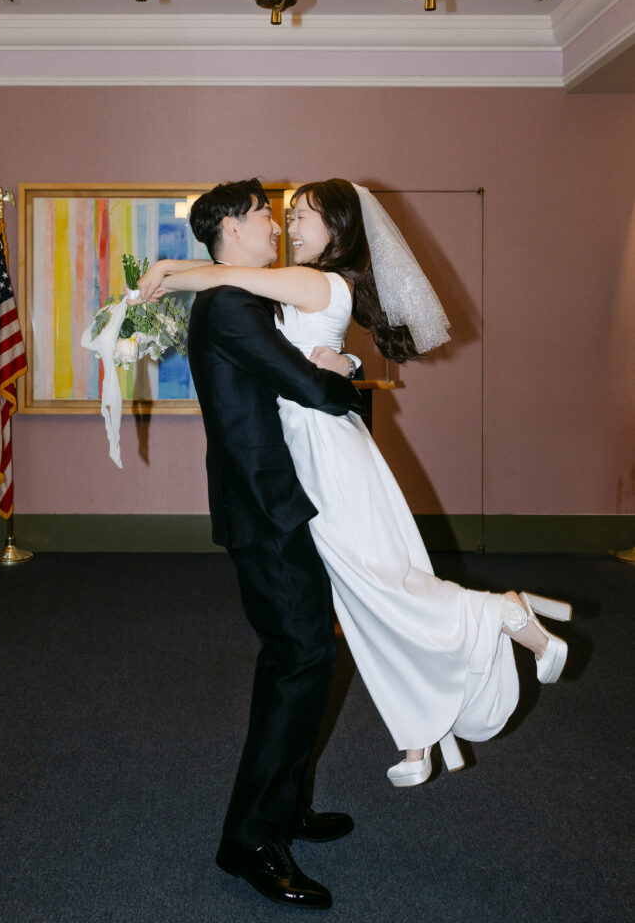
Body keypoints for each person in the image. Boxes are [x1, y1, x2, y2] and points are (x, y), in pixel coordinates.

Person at [137, 178, 571, 794]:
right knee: (365, 589)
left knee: (375, 581)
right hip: (306, 461)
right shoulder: (293, 286)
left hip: (323, 458)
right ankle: (421, 727)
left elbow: (227, 284)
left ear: (338, 230)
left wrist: (169, 271)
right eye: (276, 215)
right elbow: (269, 326)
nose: (285, 225)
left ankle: (499, 614)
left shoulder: (313, 282)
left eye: (301, 217)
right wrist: (345, 366)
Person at [155, 180, 363, 911]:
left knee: (300, 655)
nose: (274, 223)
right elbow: (313, 391)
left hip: (273, 502)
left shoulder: (240, 298)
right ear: (229, 229)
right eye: (262, 215)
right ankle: (248, 839)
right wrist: (345, 378)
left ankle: (284, 809)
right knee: (302, 656)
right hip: (264, 509)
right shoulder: (234, 306)